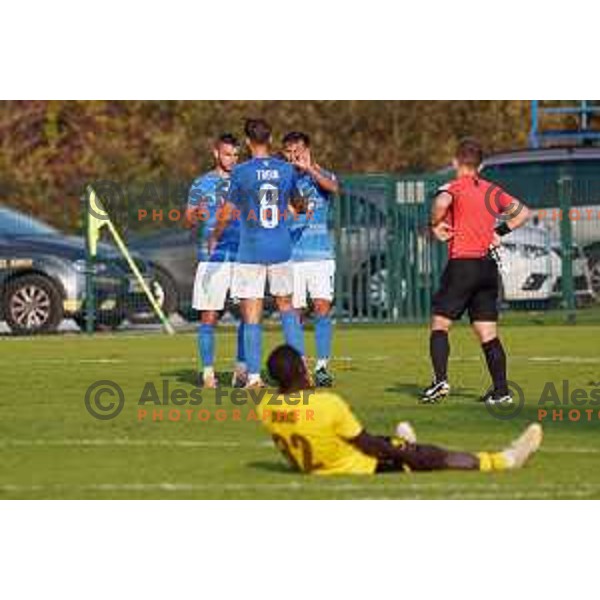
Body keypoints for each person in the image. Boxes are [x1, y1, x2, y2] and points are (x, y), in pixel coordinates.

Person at [258, 345, 543, 475]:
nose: (308, 370)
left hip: (322, 463)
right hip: (357, 465)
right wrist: (408, 454)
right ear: (298, 371)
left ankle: (407, 447)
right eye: (304, 366)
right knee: (433, 456)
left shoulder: (266, 408)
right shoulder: (326, 403)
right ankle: (502, 460)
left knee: (395, 445)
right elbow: (366, 444)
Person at [422, 139, 531, 406]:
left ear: (455, 163)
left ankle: (440, 382)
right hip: (486, 267)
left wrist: (435, 223)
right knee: (487, 331)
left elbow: (441, 201)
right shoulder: (492, 190)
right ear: (480, 165)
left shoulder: (453, 187)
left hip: (463, 265)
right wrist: (498, 232)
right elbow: (523, 213)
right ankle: (501, 390)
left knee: (440, 324)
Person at [210, 119, 304, 388]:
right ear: (271, 138)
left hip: (250, 250)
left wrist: (216, 234)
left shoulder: (241, 172)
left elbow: (227, 211)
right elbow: (298, 204)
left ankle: (253, 378)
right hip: (281, 248)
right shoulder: (286, 169)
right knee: (288, 310)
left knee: (252, 315)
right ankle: (300, 373)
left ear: (248, 142)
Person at [185, 134, 248, 388]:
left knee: (248, 314)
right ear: (215, 153)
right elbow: (188, 218)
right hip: (211, 259)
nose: (231, 160)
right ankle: (208, 373)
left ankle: (242, 370)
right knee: (209, 316)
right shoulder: (202, 183)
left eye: (235, 155)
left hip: (243, 257)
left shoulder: (245, 181)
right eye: (226, 154)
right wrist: (196, 215)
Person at [282, 131, 339, 387]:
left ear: (307, 150)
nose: (293, 156)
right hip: (292, 257)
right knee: (293, 312)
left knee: (322, 307)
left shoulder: (323, 175)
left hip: (320, 256)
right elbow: (279, 216)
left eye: (297, 150)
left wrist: (310, 170)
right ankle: (301, 367)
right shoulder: (283, 181)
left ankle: (322, 367)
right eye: (288, 152)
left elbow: (333, 188)